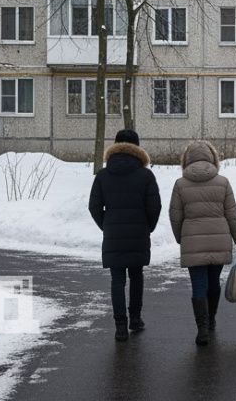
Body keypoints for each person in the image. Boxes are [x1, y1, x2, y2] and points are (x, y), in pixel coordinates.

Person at [169, 140, 236, 346]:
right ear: (213, 158)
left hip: (192, 243)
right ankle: (211, 319)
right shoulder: (223, 182)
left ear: (186, 160)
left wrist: (182, 238)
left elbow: (175, 216)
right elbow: (232, 214)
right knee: (213, 282)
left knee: (198, 285)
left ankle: (202, 329)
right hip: (219, 240)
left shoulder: (180, 184)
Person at [89, 129, 162, 342]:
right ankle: (135, 319)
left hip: (113, 233)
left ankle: (120, 326)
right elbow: (154, 206)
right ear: (137, 148)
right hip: (139, 232)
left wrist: (107, 225)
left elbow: (94, 206)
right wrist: (147, 227)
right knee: (136, 275)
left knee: (117, 279)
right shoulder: (146, 175)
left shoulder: (103, 175)